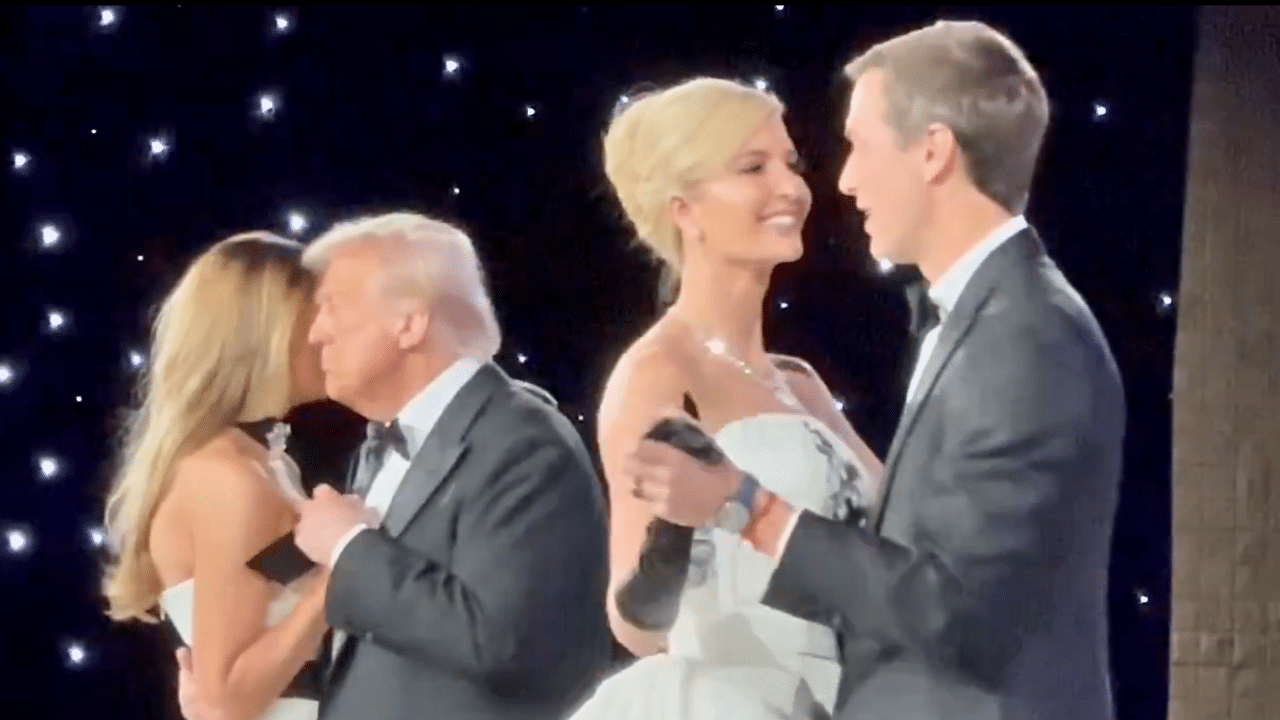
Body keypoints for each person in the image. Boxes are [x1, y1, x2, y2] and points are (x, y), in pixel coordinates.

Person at [626, 20, 1124, 720]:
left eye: (859, 146)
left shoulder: (1024, 336)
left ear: (933, 153)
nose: (844, 181)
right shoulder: (983, 322)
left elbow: (953, 611)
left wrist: (745, 506)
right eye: (753, 166)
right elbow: (641, 613)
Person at [175, 211, 614, 720]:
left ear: (409, 323)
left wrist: (348, 549)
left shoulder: (522, 442)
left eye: (332, 308)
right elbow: (382, 654)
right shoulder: (379, 448)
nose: (316, 334)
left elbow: (510, 646)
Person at [566, 77, 885, 720]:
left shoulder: (799, 383)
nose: (790, 187)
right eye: (753, 167)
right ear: (683, 208)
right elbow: (637, 624)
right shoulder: (659, 374)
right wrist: (676, 533)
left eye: (790, 163)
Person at [103, 232, 332, 720]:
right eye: (317, 312)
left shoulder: (262, 462)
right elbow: (228, 697)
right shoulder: (229, 479)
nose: (327, 333)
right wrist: (339, 583)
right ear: (266, 332)